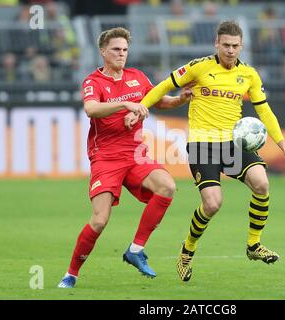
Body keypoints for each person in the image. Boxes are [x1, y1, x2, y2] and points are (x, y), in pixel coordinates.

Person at [128, 20, 285, 282]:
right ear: (216, 44)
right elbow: (165, 86)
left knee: (262, 184)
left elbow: (263, 110)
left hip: (233, 143)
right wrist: (140, 107)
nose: (230, 50)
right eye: (226, 45)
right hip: (202, 144)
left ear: (241, 46)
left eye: (235, 46)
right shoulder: (199, 67)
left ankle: (254, 245)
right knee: (212, 203)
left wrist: (283, 145)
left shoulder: (250, 75)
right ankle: (187, 250)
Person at [58, 27, 194, 288]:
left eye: (125, 50)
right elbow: (91, 109)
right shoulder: (93, 82)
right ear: (103, 52)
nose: (122, 54)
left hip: (135, 154)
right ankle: (71, 273)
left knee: (167, 186)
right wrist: (125, 104)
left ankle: (135, 249)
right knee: (99, 220)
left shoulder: (137, 76)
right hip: (106, 158)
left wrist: (179, 99)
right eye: (116, 50)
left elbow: (158, 101)